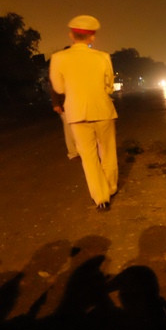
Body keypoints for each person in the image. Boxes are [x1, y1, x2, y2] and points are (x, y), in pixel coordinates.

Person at [49, 15, 118, 212]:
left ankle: (100, 198)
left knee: (88, 157)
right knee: (108, 152)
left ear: (71, 35)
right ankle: (110, 187)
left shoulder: (58, 58)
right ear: (92, 37)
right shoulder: (103, 57)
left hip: (77, 112)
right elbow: (109, 86)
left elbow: (59, 88)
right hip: (103, 109)